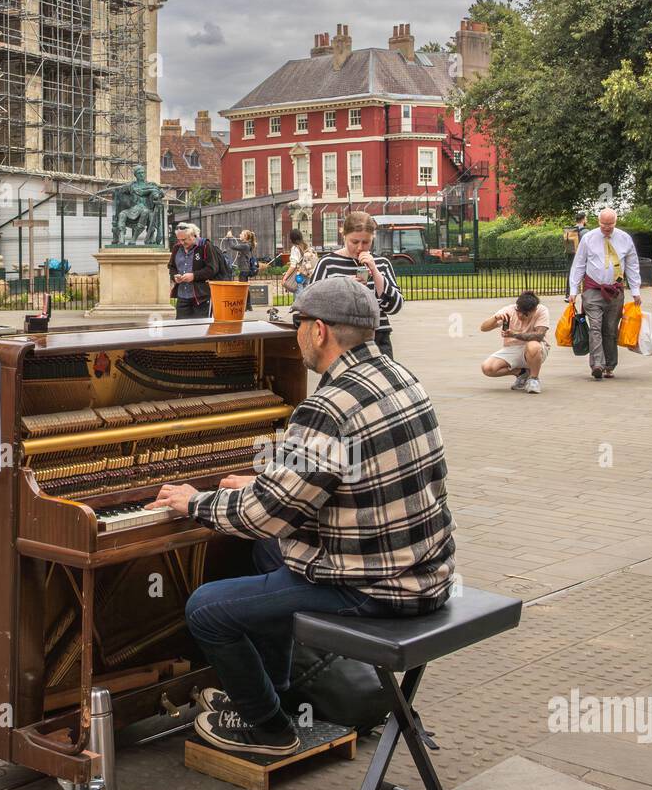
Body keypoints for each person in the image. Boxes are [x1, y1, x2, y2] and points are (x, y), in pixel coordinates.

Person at [147, 277, 456, 756]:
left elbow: (264, 515)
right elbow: (330, 482)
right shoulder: (400, 377)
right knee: (266, 553)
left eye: (297, 327)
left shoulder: (327, 406)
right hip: (424, 573)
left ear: (318, 332)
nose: (295, 338)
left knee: (205, 609)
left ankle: (268, 729)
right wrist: (263, 484)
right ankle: (276, 690)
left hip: (375, 590)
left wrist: (194, 502)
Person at [310, 211, 403, 357]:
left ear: (373, 238)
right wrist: (343, 287)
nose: (360, 247)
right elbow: (311, 304)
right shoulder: (327, 264)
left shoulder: (382, 264)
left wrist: (375, 271)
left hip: (378, 337)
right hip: (341, 338)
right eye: (354, 242)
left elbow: (395, 307)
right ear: (344, 235)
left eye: (366, 242)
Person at [567, 207, 640, 379]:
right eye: (603, 224)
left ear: (615, 222)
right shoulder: (588, 238)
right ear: (598, 222)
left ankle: (609, 365)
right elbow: (578, 264)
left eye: (610, 224)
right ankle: (597, 364)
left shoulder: (624, 239)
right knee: (595, 327)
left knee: (610, 329)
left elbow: (632, 265)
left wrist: (636, 291)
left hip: (615, 291)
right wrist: (573, 290)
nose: (606, 227)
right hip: (593, 290)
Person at [479, 291, 551, 393]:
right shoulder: (508, 311)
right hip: (512, 348)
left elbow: (539, 336)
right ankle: (521, 373)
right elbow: (483, 328)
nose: (521, 315)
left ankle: (534, 379)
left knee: (533, 345)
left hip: (536, 349)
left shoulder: (542, 310)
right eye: (519, 311)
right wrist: (495, 318)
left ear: (534, 310)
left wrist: (514, 334)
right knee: (487, 368)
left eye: (525, 314)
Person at [167, 222, 222, 320]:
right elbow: (172, 267)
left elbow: (212, 269)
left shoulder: (205, 246)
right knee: (181, 330)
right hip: (182, 296)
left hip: (202, 297)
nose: (181, 243)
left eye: (184, 240)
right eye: (179, 240)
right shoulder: (176, 248)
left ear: (193, 236)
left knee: (200, 330)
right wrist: (174, 276)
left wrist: (194, 276)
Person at [281, 228, 317, 299]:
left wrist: (285, 277)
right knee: (306, 294)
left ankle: (299, 309)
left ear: (292, 239)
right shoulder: (307, 246)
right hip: (308, 273)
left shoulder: (295, 248)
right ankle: (305, 309)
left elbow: (293, 266)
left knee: (299, 294)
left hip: (299, 275)